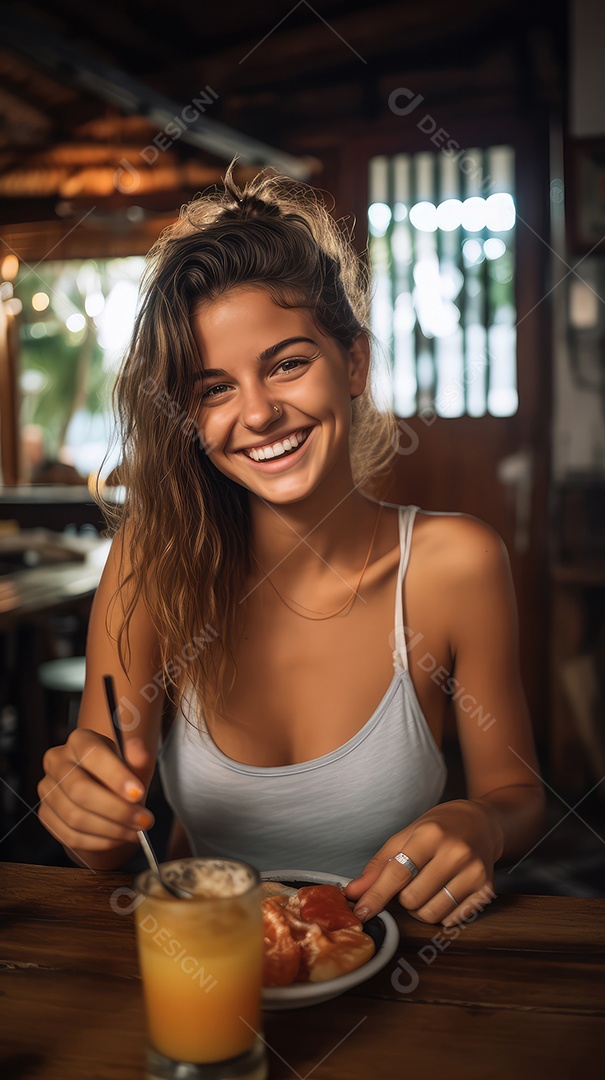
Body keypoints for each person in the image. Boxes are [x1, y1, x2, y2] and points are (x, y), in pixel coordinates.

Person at [37, 162, 545, 927]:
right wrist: (88, 817)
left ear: (353, 363)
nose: (258, 414)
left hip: (397, 966)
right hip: (212, 963)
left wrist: (481, 822)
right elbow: (106, 846)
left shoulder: (454, 565)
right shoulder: (150, 562)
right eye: (214, 389)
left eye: (287, 364)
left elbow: (518, 797)